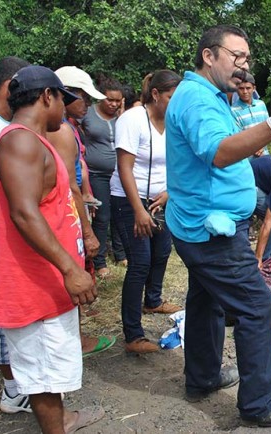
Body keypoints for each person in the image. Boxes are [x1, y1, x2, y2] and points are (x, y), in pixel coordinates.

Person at [165, 24, 271, 427]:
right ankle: (259, 404)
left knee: (206, 300)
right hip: (209, 231)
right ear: (209, 55)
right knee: (256, 306)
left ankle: (202, 377)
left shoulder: (211, 96)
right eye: (236, 56)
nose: (243, 65)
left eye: (246, 58)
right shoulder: (198, 99)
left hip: (199, 223)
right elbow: (217, 153)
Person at [0, 65, 104, 433]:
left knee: (52, 365)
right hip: (32, 284)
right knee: (40, 371)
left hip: (48, 281)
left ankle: (64, 419)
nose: (67, 109)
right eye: (63, 100)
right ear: (46, 96)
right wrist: (70, 269)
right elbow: (24, 214)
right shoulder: (19, 141)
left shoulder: (34, 141)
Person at [111, 70, 182, 354]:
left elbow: (179, 162)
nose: (175, 104)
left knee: (162, 252)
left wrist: (169, 193)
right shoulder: (132, 119)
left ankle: (153, 300)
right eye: (170, 97)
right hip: (130, 199)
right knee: (139, 263)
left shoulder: (174, 121)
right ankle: (133, 335)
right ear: (155, 94)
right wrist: (139, 209)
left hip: (161, 199)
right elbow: (124, 168)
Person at [51, 66, 117, 357]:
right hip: (68, 212)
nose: (88, 104)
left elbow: (80, 170)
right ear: (65, 94)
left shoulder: (70, 126)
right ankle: (74, 340)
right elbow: (68, 184)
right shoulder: (61, 129)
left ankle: (75, 334)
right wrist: (87, 232)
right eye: (83, 97)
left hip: (76, 206)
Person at [0, 56, 32, 414]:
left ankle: (22, 384)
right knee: (2, 317)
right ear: (10, 83)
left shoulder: (1, 123)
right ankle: (13, 391)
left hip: (6, 241)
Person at [82, 75, 127, 275]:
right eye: (110, 99)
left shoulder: (122, 116)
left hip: (120, 173)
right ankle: (99, 261)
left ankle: (121, 253)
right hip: (97, 174)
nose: (114, 104)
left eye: (118, 100)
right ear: (101, 97)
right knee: (102, 217)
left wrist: (123, 112)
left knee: (121, 215)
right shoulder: (88, 114)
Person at [231, 73, 270, 158]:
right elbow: (238, 136)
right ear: (236, 89)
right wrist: (254, 147)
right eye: (241, 88)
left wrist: (261, 146)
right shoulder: (233, 110)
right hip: (246, 159)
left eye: (248, 88)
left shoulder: (261, 105)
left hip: (265, 155)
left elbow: (268, 128)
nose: (245, 92)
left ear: (254, 89)